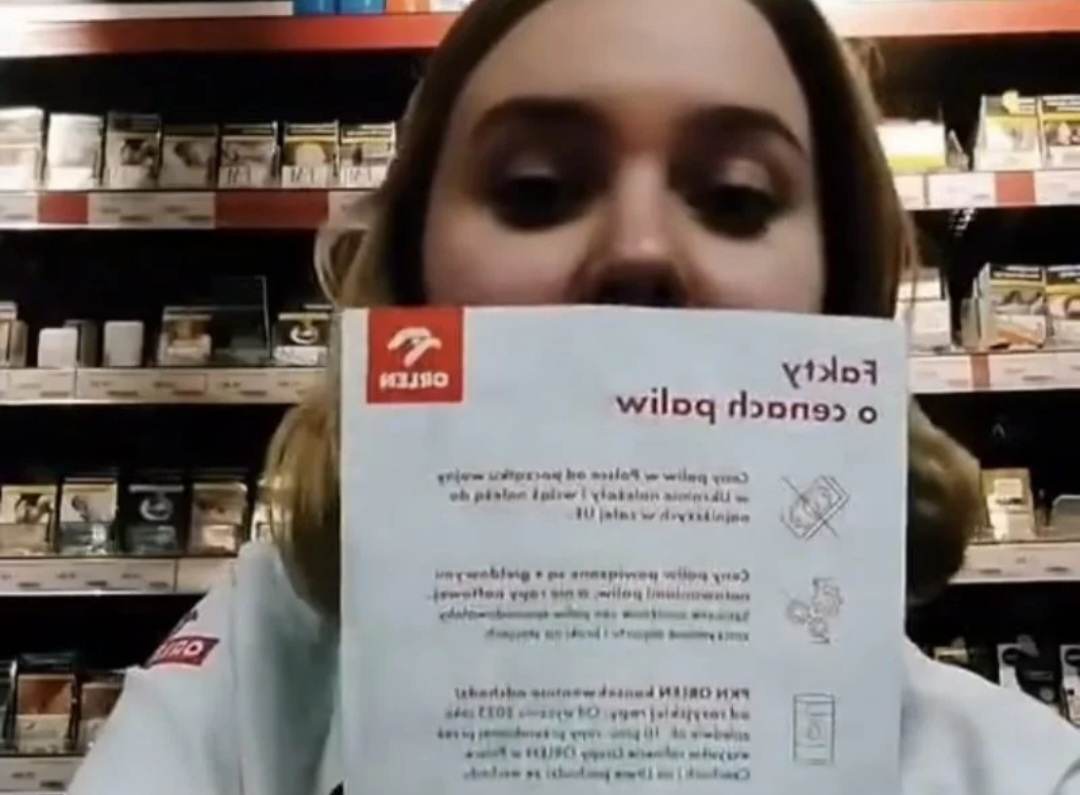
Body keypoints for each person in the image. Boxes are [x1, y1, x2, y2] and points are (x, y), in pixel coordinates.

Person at [70, 1, 1080, 793]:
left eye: (736, 197)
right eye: (537, 190)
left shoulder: (1014, 769)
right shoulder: (257, 674)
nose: (638, 252)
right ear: (414, 282)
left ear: (840, 295)